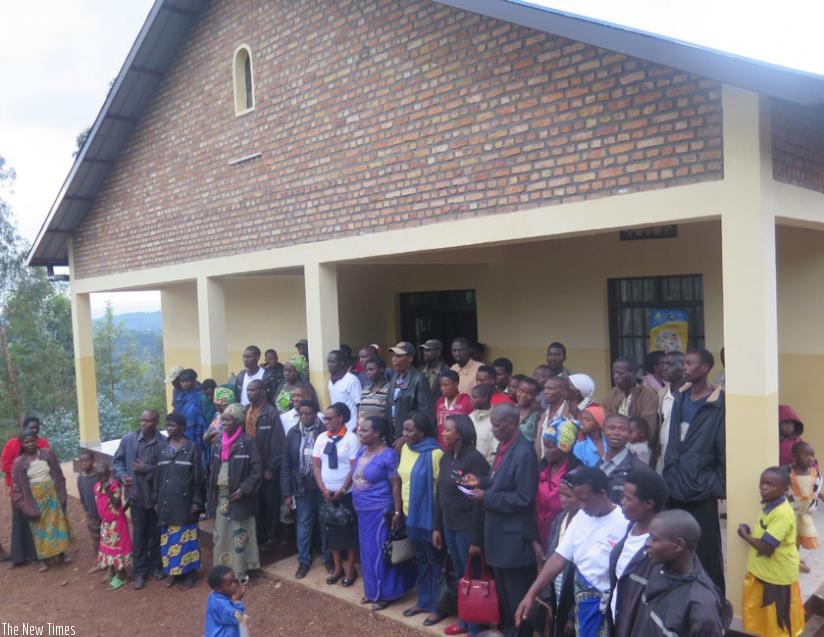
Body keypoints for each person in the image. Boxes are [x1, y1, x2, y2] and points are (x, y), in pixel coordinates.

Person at [514, 467, 627, 637]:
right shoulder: (581, 518)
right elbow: (558, 558)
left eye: (585, 500)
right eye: (578, 500)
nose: (580, 506)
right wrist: (531, 594)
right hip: (583, 606)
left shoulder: (624, 523)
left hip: (611, 611)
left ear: (602, 494)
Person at [463, 403, 538, 637]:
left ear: (512, 423)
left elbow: (524, 497)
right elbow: (501, 481)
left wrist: (487, 496)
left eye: (496, 425)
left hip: (514, 543)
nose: (492, 429)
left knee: (517, 601)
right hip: (498, 539)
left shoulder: (524, 452)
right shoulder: (506, 446)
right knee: (505, 600)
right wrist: (481, 482)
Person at [662, 348, 726, 594]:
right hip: (674, 486)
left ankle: (713, 599)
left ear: (705, 368)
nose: (684, 368)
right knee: (675, 547)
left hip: (701, 491)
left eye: (689, 364)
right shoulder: (680, 397)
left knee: (707, 552)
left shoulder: (718, 403)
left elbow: (723, 450)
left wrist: (715, 485)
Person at [345, 415, 415, 611]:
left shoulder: (388, 455)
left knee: (381, 552)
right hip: (363, 511)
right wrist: (342, 489)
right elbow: (353, 474)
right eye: (360, 428)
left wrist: (397, 512)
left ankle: (386, 593)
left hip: (380, 511)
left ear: (376, 433)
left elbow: (395, 485)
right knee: (367, 552)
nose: (360, 432)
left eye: (365, 430)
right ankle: (372, 591)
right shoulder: (362, 451)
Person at [432, 414, 490, 637]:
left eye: (448, 430)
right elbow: (441, 494)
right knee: (459, 576)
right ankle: (465, 621)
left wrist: (476, 540)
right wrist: (437, 526)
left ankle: (476, 629)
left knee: (473, 578)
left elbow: (479, 503)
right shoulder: (446, 458)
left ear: (460, 434)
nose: (443, 433)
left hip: (468, 529)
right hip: (449, 525)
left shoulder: (475, 461)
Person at [635, 509, 728, 636]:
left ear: (678, 545)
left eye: (653, 538)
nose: (646, 544)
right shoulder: (656, 569)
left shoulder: (701, 606)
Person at [738, 467, 805, 637]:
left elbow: (767, 548)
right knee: (767, 620)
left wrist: (745, 536)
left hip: (777, 577)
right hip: (767, 574)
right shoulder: (770, 505)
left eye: (770, 484)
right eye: (762, 483)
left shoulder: (782, 513)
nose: (764, 487)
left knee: (779, 622)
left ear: (784, 489)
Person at [397, 412, 445, 626]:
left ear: (422, 432)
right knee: (421, 560)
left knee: (436, 562)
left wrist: (437, 523)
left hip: (429, 517)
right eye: (404, 430)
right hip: (410, 514)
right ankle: (424, 601)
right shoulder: (405, 449)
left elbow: (442, 490)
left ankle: (438, 607)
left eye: (410, 430)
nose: (404, 434)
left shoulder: (436, 453)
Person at [608, 470, 668, 635]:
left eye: (628, 498)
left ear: (648, 504)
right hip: (617, 623)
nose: (622, 502)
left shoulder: (661, 547)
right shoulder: (630, 528)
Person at [207, 403, 262, 580]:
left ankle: (241, 570)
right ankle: (223, 569)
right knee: (222, 534)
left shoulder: (247, 442)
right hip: (221, 498)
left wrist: (244, 489)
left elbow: (256, 470)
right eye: (223, 420)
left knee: (240, 534)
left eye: (228, 420)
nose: (224, 423)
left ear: (238, 422)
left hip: (239, 496)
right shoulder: (217, 443)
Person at [112, 409, 166, 589]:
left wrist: (148, 470)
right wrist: (122, 476)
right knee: (139, 535)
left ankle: (156, 566)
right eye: (142, 420)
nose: (143, 424)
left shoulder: (163, 443)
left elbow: (167, 472)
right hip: (136, 496)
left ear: (156, 422)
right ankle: (140, 572)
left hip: (156, 497)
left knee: (156, 533)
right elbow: (117, 462)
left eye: (148, 421)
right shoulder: (129, 440)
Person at [281, 399, 330, 579]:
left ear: (315, 414)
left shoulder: (324, 431)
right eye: (302, 414)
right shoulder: (293, 433)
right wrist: (286, 491)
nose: (305, 417)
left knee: (324, 521)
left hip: (322, 486)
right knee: (303, 523)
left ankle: (328, 557)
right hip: (301, 487)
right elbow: (286, 463)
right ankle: (304, 560)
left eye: (308, 413)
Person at [10, 429, 71, 573]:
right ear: (22, 445)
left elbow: (58, 473)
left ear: (36, 441)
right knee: (39, 529)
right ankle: (43, 559)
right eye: (27, 442)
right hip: (34, 499)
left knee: (57, 525)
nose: (30, 444)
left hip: (52, 494)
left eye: (32, 441)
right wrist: (24, 505)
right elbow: (16, 487)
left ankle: (62, 554)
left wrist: (62, 493)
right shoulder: (19, 463)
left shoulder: (47, 453)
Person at [154, 411, 204, 589]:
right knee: (169, 539)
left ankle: (190, 573)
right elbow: (157, 476)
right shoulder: (161, 448)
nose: (169, 428)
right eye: (167, 425)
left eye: (173, 425)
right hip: (167, 502)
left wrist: (197, 502)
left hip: (185, 503)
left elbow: (199, 477)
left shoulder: (191, 448)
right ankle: (174, 572)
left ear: (182, 428)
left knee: (187, 540)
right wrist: (156, 500)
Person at [313, 403, 360, 587]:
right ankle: (337, 568)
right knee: (331, 531)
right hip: (326, 492)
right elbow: (316, 465)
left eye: (330, 418)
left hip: (345, 493)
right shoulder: (321, 438)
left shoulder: (350, 439)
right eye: (325, 418)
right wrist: (323, 488)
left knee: (348, 531)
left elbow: (354, 466)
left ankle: (350, 569)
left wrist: (342, 489)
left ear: (340, 418)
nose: (326, 421)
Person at [2, 416, 49, 567]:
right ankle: (19, 557)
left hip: (40, 489)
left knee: (39, 520)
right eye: (31, 427)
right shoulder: (11, 445)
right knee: (19, 521)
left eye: (37, 427)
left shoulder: (43, 444)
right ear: (24, 428)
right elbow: (5, 466)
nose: (34, 430)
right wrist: (24, 474)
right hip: (19, 490)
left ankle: (40, 553)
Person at [244, 379, 285, 553]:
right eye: (247, 390)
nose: (249, 393)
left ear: (262, 392)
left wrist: (270, 468)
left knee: (270, 504)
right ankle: (259, 536)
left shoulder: (272, 413)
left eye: (252, 390)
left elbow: (277, 444)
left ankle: (271, 537)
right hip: (250, 467)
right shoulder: (246, 411)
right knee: (256, 504)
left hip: (266, 468)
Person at [542, 477, 580, 637]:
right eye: (561, 494)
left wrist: (573, 614)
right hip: (556, 587)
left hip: (573, 593)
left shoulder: (584, 525)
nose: (563, 500)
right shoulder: (559, 520)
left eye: (568, 496)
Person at [535, 419, 580, 547]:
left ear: (564, 447)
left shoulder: (576, 472)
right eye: (544, 446)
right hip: (537, 539)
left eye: (550, 446)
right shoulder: (540, 468)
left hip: (562, 540)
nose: (546, 451)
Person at [603, 357, 660, 453]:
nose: (616, 376)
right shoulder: (612, 394)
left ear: (633, 373)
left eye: (620, 373)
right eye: (614, 373)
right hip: (613, 447)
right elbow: (606, 421)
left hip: (638, 450)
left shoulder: (647, 395)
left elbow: (648, 429)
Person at [94, 461, 132, 590]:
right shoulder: (96, 487)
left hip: (117, 523)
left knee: (117, 550)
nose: (102, 479)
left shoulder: (115, 485)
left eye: (105, 476)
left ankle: (122, 575)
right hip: (106, 523)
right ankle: (111, 571)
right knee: (107, 548)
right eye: (99, 477)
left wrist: (108, 490)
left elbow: (116, 503)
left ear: (109, 473)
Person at [385, 341, 432, 442]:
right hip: (393, 434)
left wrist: (405, 437)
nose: (394, 359)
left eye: (399, 356)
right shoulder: (394, 377)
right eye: (394, 356)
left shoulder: (419, 379)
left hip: (410, 437)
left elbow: (425, 413)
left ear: (410, 358)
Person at [786, 441, 822, 572]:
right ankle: (792, 561)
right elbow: (784, 488)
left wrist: (820, 496)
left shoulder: (814, 472)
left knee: (801, 536)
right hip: (791, 511)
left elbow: (814, 488)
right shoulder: (789, 471)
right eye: (805, 455)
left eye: (812, 455)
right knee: (790, 537)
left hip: (806, 512)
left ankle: (795, 559)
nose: (810, 458)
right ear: (795, 455)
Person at [599, 414, 650, 504]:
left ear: (629, 434)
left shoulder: (640, 469)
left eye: (623, 429)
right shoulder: (598, 465)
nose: (616, 433)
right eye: (611, 428)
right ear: (603, 432)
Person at [173, 368, 209, 467]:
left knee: (198, 457)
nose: (184, 384)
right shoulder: (179, 393)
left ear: (193, 381)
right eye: (182, 382)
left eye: (187, 381)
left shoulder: (200, 394)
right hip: (183, 429)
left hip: (198, 429)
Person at [655, 350, 684, 472]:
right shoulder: (661, 394)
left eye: (670, 364)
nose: (664, 368)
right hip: (663, 455)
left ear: (683, 367)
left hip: (683, 457)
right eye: (663, 364)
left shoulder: (691, 395)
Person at [204, 565, 249, 637]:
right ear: (218, 588)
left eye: (234, 580)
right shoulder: (223, 606)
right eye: (229, 584)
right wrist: (237, 601)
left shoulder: (213, 596)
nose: (234, 585)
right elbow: (238, 619)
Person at [534, 376, 572, 458]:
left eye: (550, 389)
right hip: (541, 466)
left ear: (563, 392)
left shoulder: (571, 415)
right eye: (544, 388)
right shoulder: (541, 416)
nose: (545, 392)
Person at [76, 450, 102, 562]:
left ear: (93, 461)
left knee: (107, 536)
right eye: (81, 461)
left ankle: (110, 562)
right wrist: (86, 509)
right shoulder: (80, 478)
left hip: (104, 512)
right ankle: (99, 560)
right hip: (91, 513)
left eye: (87, 460)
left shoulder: (99, 475)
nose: (84, 463)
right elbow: (82, 495)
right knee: (95, 537)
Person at [327, 350, 362, 431]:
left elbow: (359, 404)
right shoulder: (330, 381)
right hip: (337, 427)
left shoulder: (351, 379)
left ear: (341, 363)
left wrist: (357, 425)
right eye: (328, 362)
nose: (329, 365)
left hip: (351, 427)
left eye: (332, 362)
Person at [435, 369, 473, 444]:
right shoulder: (439, 402)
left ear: (456, 384)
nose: (442, 388)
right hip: (441, 446)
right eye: (441, 385)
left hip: (459, 447)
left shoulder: (466, 401)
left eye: (446, 385)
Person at [470, 384, 497, 465]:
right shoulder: (470, 417)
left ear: (485, 398)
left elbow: (495, 452)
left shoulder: (496, 420)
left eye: (474, 397)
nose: (471, 400)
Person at [514, 377, 541, 443]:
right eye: (521, 391)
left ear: (535, 395)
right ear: (516, 390)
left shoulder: (538, 415)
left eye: (529, 394)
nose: (523, 396)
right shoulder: (510, 409)